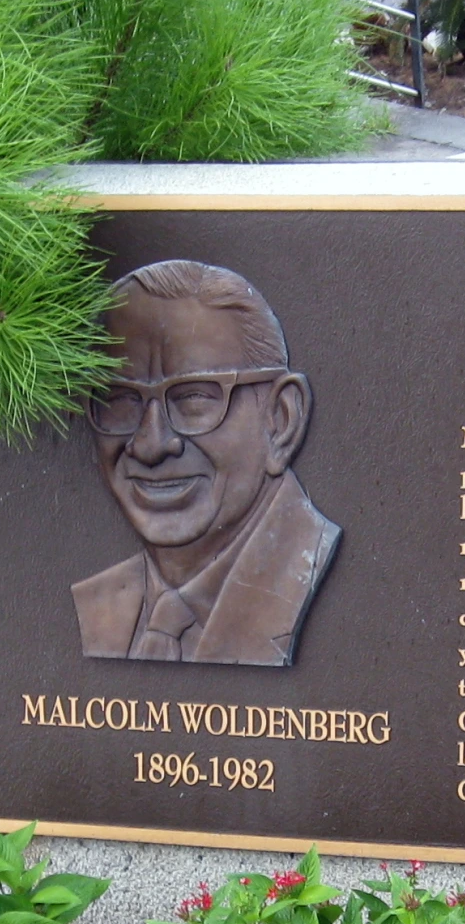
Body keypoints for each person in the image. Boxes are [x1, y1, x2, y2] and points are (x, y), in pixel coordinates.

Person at [72, 260, 340, 667]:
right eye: (119, 400)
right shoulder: (100, 605)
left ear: (281, 420)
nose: (150, 445)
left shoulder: (338, 585)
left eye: (194, 398)